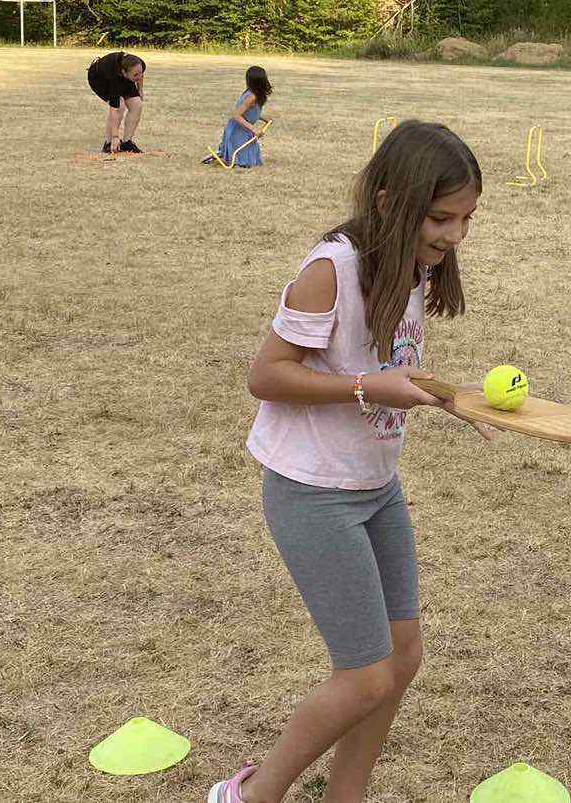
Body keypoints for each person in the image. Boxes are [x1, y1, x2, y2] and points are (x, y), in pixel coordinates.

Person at [208, 120, 493, 803]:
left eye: (467, 219)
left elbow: (390, 365)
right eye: (442, 217)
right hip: (313, 491)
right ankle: (246, 796)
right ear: (392, 201)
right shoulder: (329, 269)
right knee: (366, 675)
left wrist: (450, 397)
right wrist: (368, 389)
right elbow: (266, 375)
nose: (455, 235)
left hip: (374, 486)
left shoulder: (413, 265)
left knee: (403, 659)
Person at [204, 66, 273, 168]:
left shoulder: (256, 94)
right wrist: (254, 129)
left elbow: (250, 112)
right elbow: (237, 115)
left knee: (252, 160)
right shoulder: (251, 96)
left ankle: (221, 157)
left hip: (244, 128)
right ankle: (217, 159)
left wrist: (263, 118)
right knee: (242, 162)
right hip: (237, 129)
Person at [86, 51, 146, 153]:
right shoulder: (113, 77)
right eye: (136, 75)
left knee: (137, 104)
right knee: (120, 105)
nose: (139, 76)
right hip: (99, 79)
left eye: (140, 72)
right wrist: (115, 136)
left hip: (123, 77)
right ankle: (108, 144)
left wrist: (140, 90)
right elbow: (115, 109)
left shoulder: (138, 63)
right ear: (124, 72)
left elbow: (140, 75)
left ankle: (127, 143)